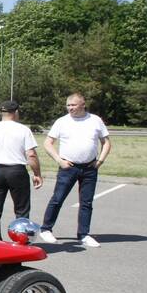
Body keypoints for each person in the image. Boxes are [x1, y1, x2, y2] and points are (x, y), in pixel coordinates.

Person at [38, 93, 111, 248]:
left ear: (83, 105)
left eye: (73, 105)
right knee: (58, 198)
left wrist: (99, 161)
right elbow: (48, 143)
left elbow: (106, 143)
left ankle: (83, 234)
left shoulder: (95, 120)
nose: (70, 108)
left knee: (87, 202)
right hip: (68, 168)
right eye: (68, 105)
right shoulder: (62, 122)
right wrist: (59, 160)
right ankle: (46, 229)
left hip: (90, 168)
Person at [0, 100, 43, 240]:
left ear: (1, 113)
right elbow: (31, 155)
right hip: (17, 171)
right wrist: (37, 174)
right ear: (16, 112)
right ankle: (21, 237)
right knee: (21, 210)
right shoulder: (23, 130)